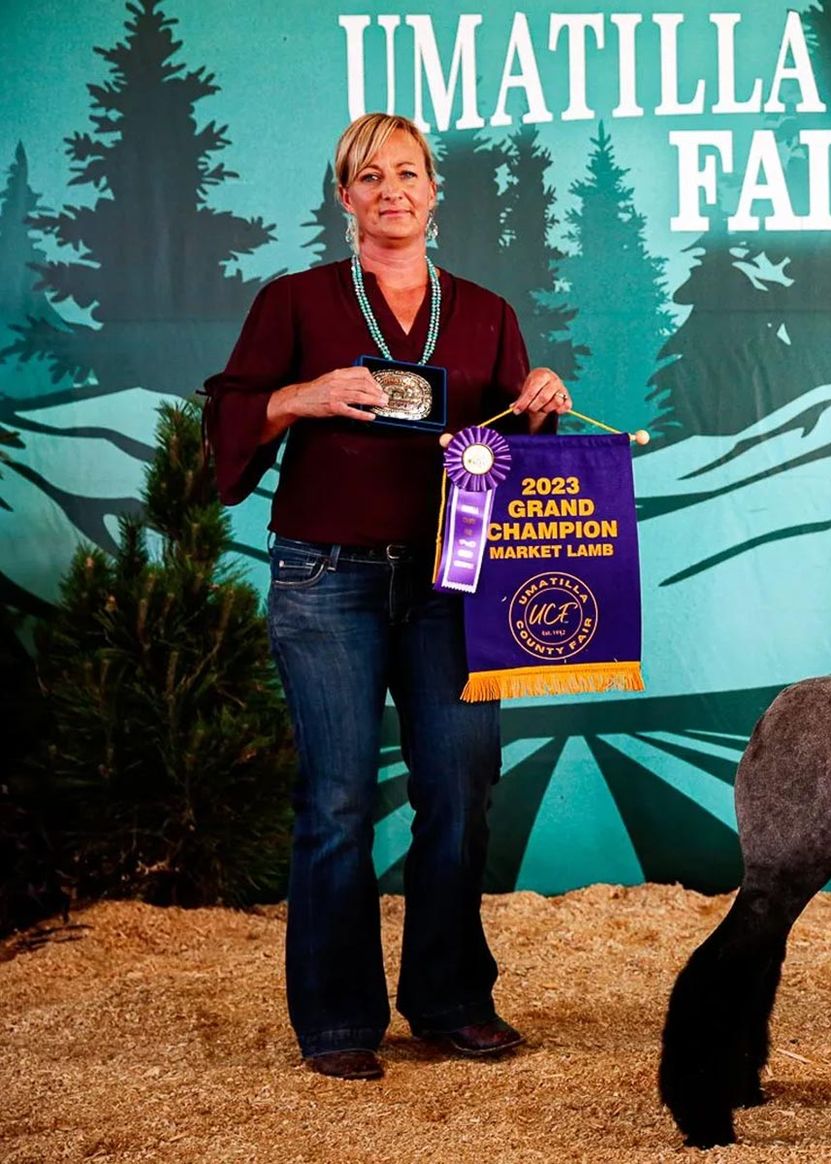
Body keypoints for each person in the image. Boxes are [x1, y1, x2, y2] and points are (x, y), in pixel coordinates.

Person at [204, 113, 573, 1081]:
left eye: (407, 173)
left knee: (460, 789)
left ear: (434, 191)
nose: (391, 190)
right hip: (327, 576)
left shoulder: (488, 310)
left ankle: (450, 1000)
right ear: (345, 197)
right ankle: (336, 1019)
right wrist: (300, 398)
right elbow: (230, 410)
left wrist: (540, 398)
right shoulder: (296, 300)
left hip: (454, 582)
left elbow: (513, 449)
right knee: (336, 799)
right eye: (370, 176)